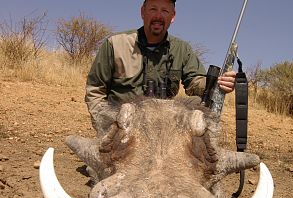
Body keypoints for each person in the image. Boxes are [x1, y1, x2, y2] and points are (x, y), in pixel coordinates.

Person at [85, 0, 236, 136]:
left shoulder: (182, 49)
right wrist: (106, 127)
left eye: (165, 11)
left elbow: (196, 84)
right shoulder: (115, 44)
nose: (158, 16)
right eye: (153, 9)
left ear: (173, 16)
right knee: (100, 167)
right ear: (142, 12)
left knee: (197, 103)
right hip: (121, 128)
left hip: (164, 130)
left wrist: (218, 83)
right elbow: (95, 90)